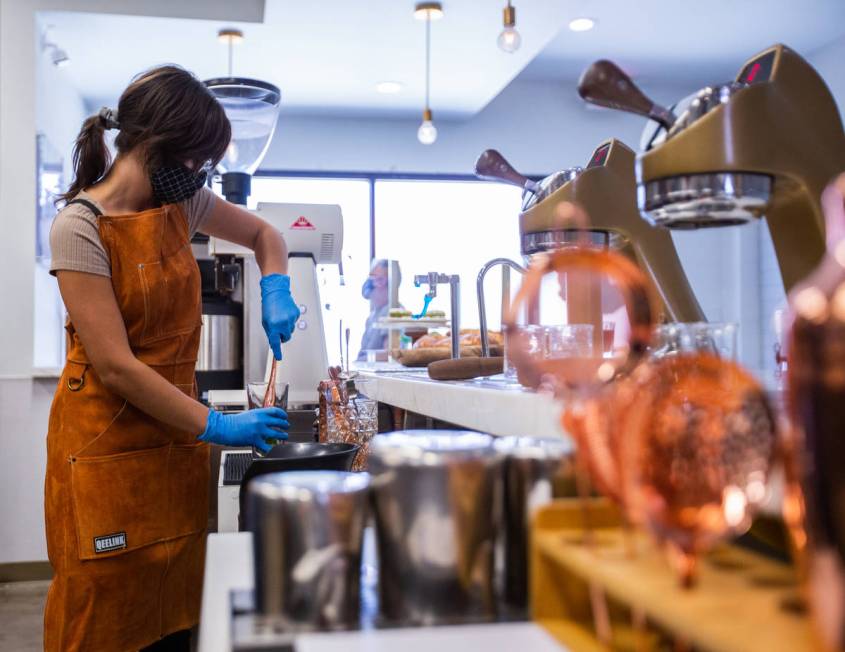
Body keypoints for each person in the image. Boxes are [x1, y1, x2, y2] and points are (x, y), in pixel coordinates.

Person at [44, 65, 300, 651]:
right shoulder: (79, 227)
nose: (201, 176)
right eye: (195, 162)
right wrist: (216, 423)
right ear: (155, 147)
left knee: (177, 607)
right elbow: (115, 366)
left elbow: (267, 237)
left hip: (172, 439)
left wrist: (277, 286)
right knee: (101, 610)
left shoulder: (181, 205)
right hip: (104, 445)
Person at [357, 259, 397, 360]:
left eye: (380, 279)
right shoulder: (373, 315)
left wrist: (358, 362)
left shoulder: (392, 311)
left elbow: (389, 355)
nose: (375, 285)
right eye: (373, 279)